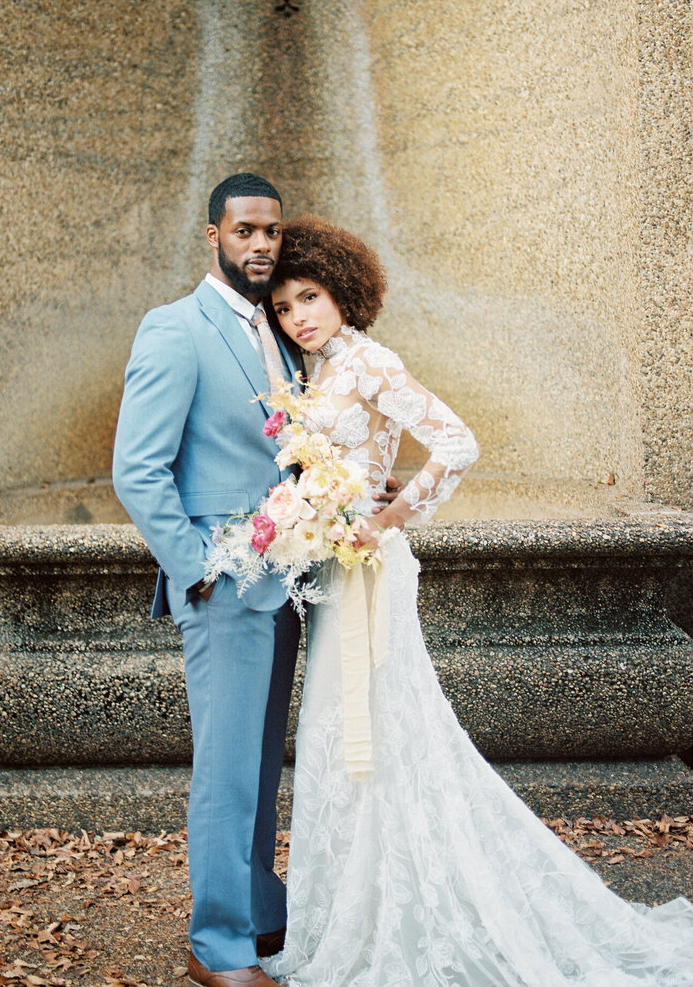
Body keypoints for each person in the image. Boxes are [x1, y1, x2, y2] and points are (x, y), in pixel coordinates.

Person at [262, 216, 693, 987]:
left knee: (382, 727)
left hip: (370, 571)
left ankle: (403, 911)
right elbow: (354, 458)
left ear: (341, 290)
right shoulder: (321, 369)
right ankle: (352, 906)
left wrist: (394, 513)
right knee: (343, 732)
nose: (301, 315)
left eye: (312, 295)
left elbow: (458, 441)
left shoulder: (367, 359)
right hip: (336, 570)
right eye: (287, 305)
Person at [112, 176, 400, 987]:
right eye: (244, 231)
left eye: (271, 231)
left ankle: (260, 909)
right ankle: (220, 947)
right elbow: (137, 469)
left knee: (263, 764)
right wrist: (198, 565)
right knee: (229, 770)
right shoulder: (175, 329)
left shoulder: (284, 335)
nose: (261, 245)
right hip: (225, 585)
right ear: (214, 237)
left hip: (286, 581)